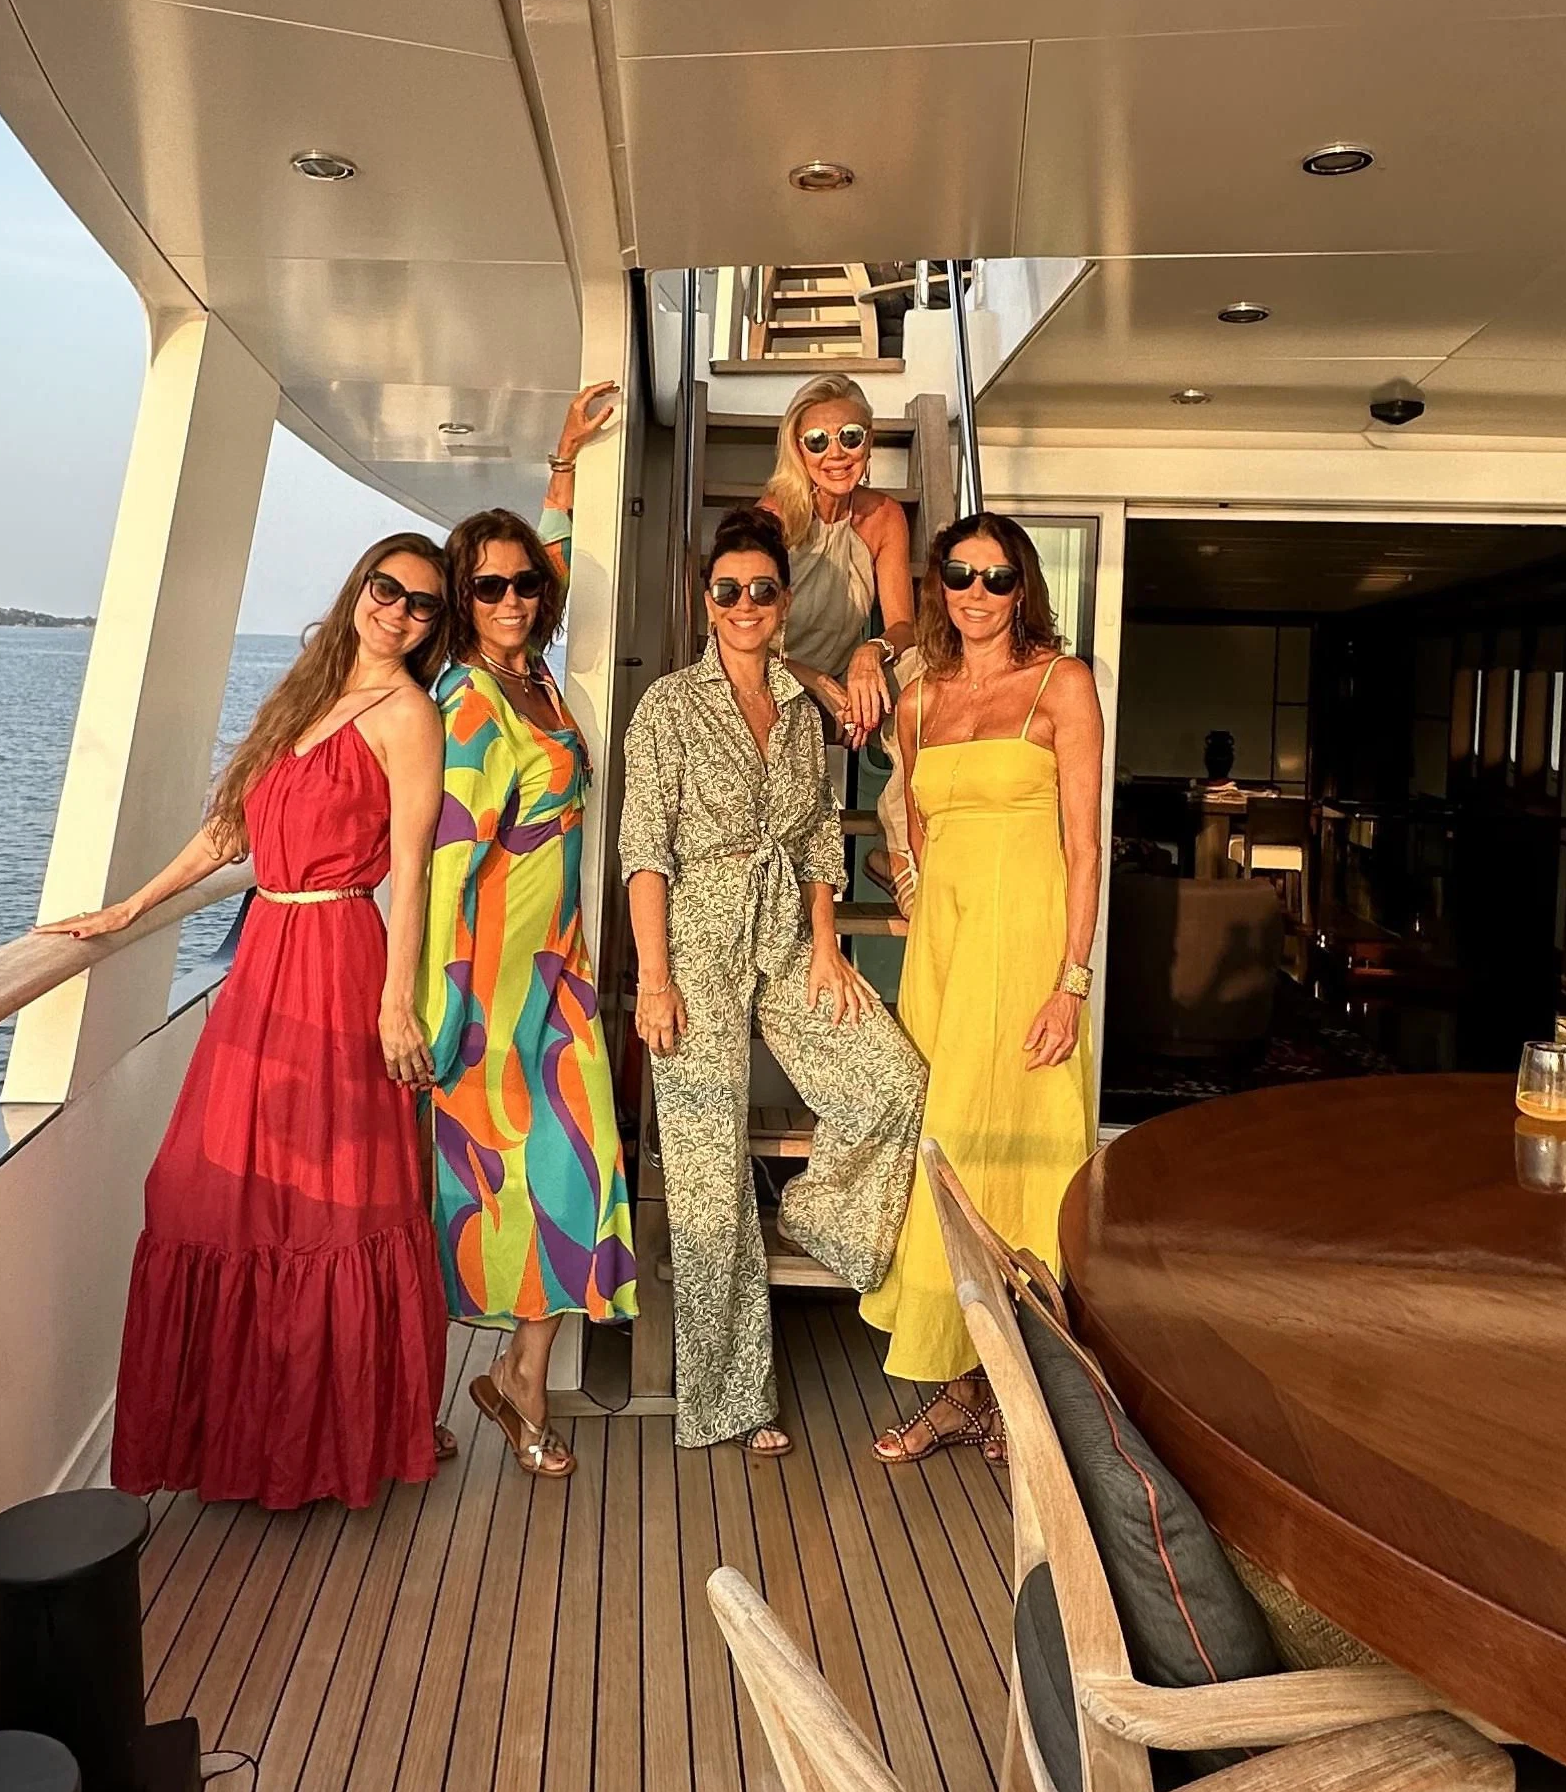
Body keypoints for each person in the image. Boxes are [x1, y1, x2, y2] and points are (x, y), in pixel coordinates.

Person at [45, 535, 451, 1510]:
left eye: (422, 605)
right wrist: (128, 909)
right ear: (359, 588)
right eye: (386, 589)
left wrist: (398, 1002)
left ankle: (330, 1446)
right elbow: (230, 832)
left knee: (329, 1205)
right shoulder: (303, 695)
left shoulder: (409, 716)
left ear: (435, 628)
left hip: (339, 961)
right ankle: (242, 1438)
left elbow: (414, 867)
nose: (397, 611)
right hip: (264, 965)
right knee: (202, 1191)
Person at [620, 510, 927, 1453]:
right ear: (704, 602)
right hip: (697, 940)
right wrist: (654, 980)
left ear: (784, 602)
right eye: (728, 591)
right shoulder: (668, 707)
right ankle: (729, 1401)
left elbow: (815, 841)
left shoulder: (803, 711)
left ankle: (816, 1213)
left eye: (761, 590)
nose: (745, 605)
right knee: (708, 1175)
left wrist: (831, 946)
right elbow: (646, 852)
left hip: (789, 933)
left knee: (891, 1080)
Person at [862, 512, 1104, 1461]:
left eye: (997, 579)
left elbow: (1084, 850)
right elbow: (917, 831)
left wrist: (1071, 982)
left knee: (1022, 1162)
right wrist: (920, 898)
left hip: (1030, 951)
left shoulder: (1063, 684)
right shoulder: (920, 701)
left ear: (1023, 588)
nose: (976, 593)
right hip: (946, 959)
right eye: (959, 575)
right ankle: (965, 1389)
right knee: (946, 1160)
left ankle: (1025, 1393)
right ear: (938, 584)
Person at [425, 438, 638, 1478]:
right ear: (463, 601)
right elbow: (443, 871)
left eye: (522, 586)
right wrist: (434, 1012)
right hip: (490, 982)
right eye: (488, 586)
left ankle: (520, 1373)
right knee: (495, 1182)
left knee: (578, 1169)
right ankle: (488, 1385)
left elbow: (544, 568)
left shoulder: (534, 676)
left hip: (557, 964)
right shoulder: (468, 703)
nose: (512, 599)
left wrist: (559, 478)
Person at [753, 372, 913, 747]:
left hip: (847, 674)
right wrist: (817, 681)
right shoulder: (773, 517)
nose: (836, 454)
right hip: (771, 671)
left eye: (851, 437)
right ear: (799, 449)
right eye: (817, 441)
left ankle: (910, 805)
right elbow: (737, 639)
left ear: (868, 442)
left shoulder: (885, 515)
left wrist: (871, 651)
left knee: (919, 681)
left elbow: (905, 626)